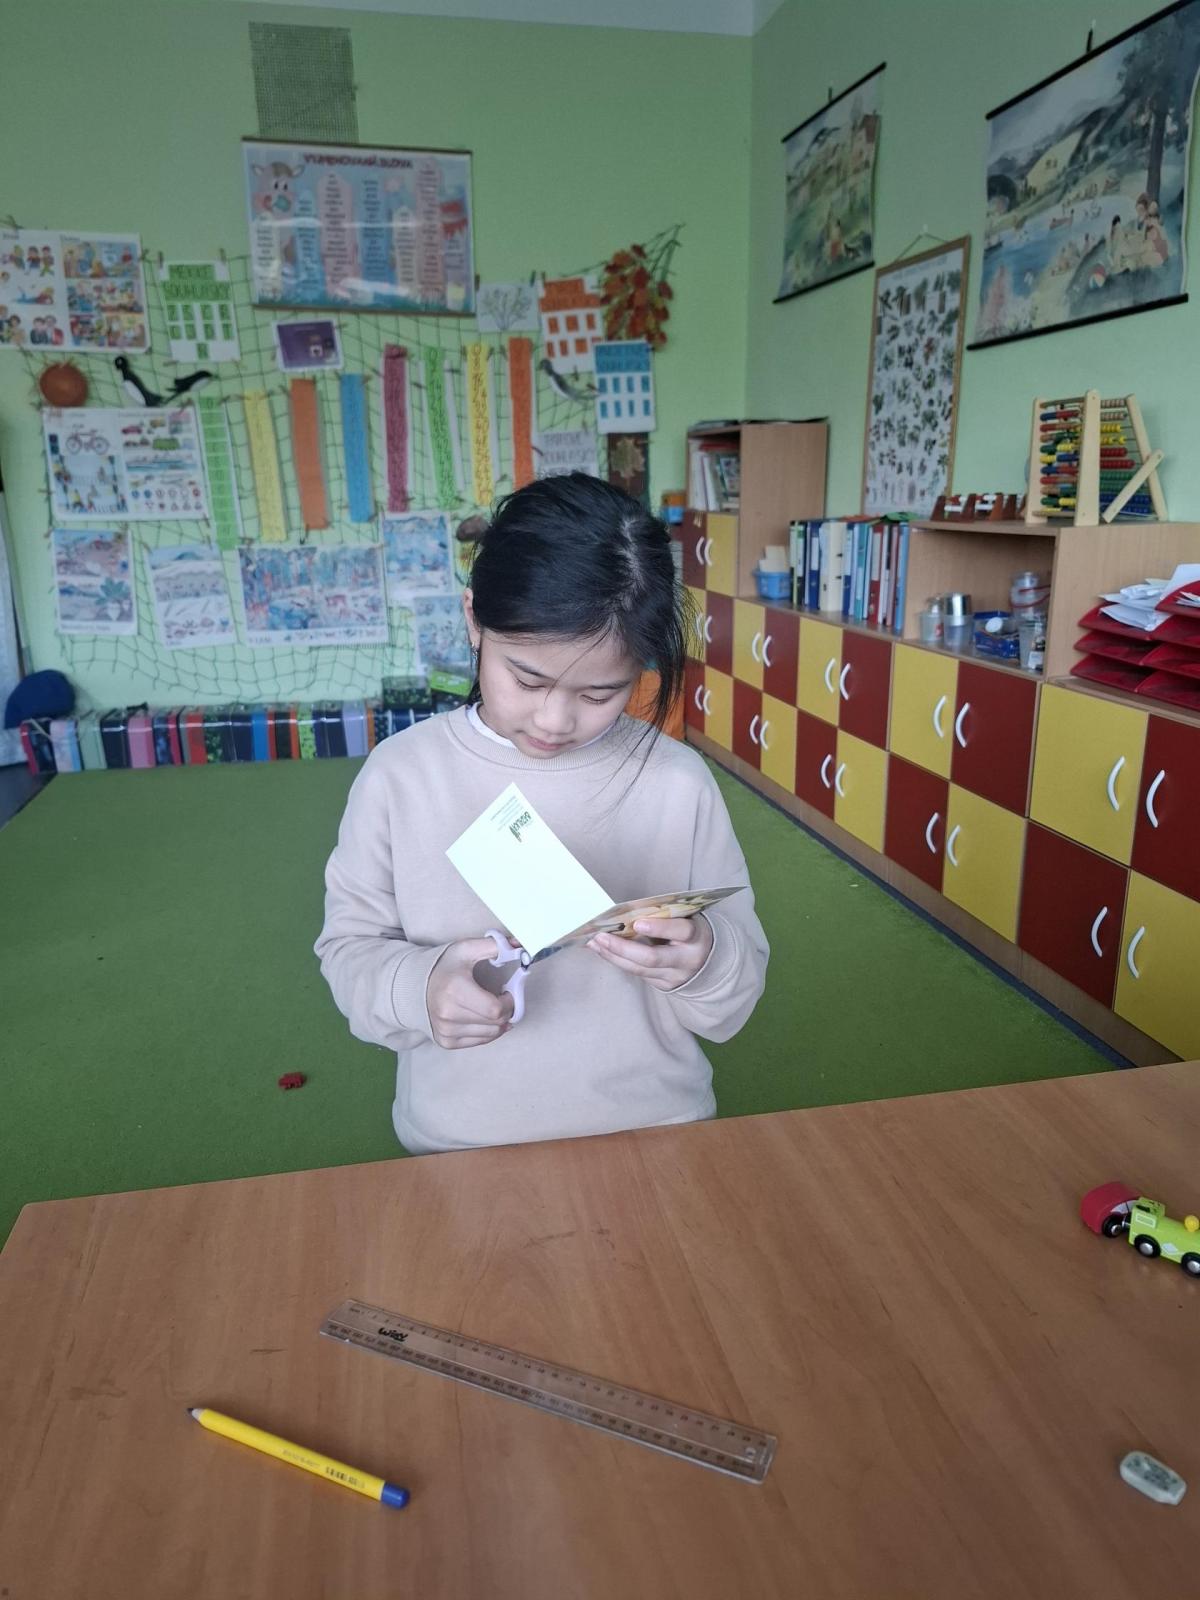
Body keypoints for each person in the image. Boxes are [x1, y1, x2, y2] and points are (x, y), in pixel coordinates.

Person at [316, 473, 768, 1155]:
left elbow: (738, 985)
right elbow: (349, 951)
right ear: (474, 619)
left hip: (657, 1127)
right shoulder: (400, 776)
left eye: (601, 693)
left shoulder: (677, 782)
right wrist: (420, 989)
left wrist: (704, 960)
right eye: (526, 679)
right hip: (462, 1140)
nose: (555, 720)